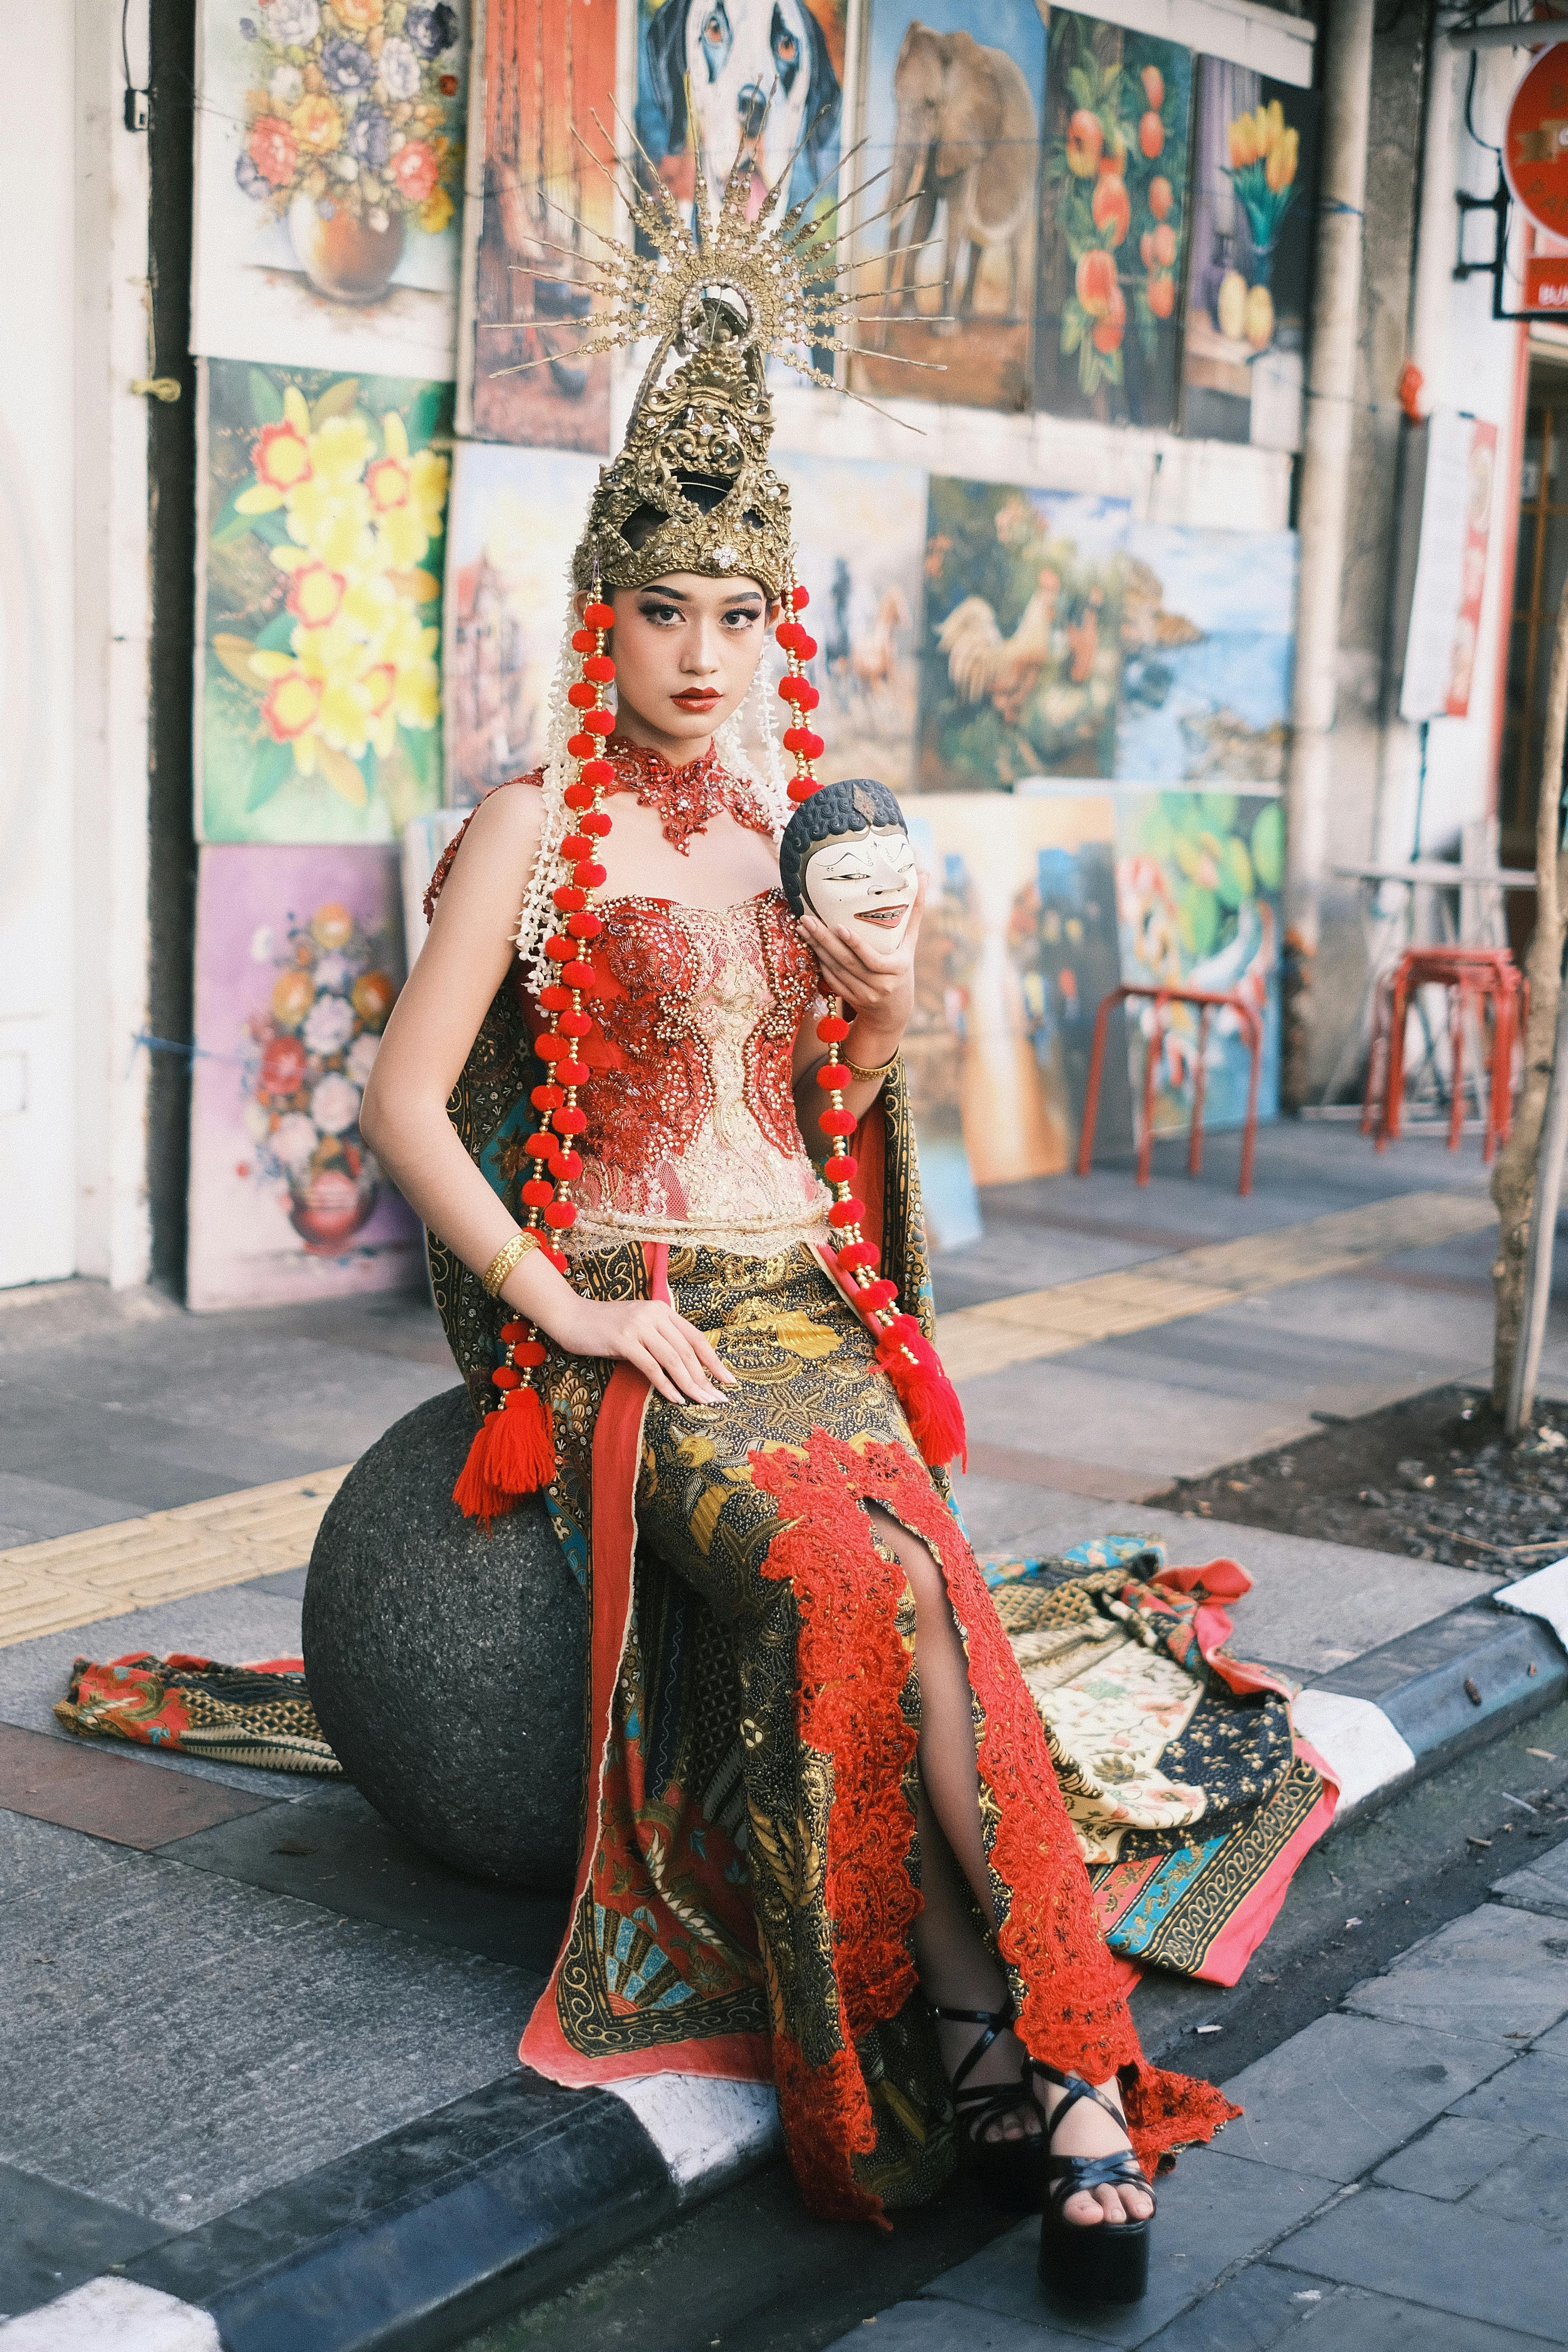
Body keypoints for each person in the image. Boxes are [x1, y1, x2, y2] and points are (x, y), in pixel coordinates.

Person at [359, 147, 1234, 2306]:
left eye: (740, 618)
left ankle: (1041, 2050)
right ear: (605, 614)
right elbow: (404, 1102)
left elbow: (833, 1121)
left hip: (801, 1300)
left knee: (925, 1581)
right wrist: (565, 1307)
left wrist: (888, 1013)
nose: (699, 654)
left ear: (779, 632)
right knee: (850, 1572)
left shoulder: (801, 831)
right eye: (661, 611)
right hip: (637, 1314)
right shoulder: (533, 829)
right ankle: (1006, 2067)